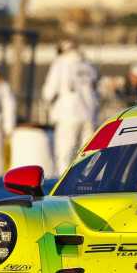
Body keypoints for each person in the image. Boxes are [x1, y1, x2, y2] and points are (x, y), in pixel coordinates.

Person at [42, 39, 100, 173]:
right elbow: (96, 91)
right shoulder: (88, 65)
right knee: (87, 153)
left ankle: (62, 179)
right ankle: (86, 179)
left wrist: (49, 104)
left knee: (64, 152)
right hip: (89, 115)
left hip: (68, 114)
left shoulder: (60, 63)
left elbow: (49, 92)